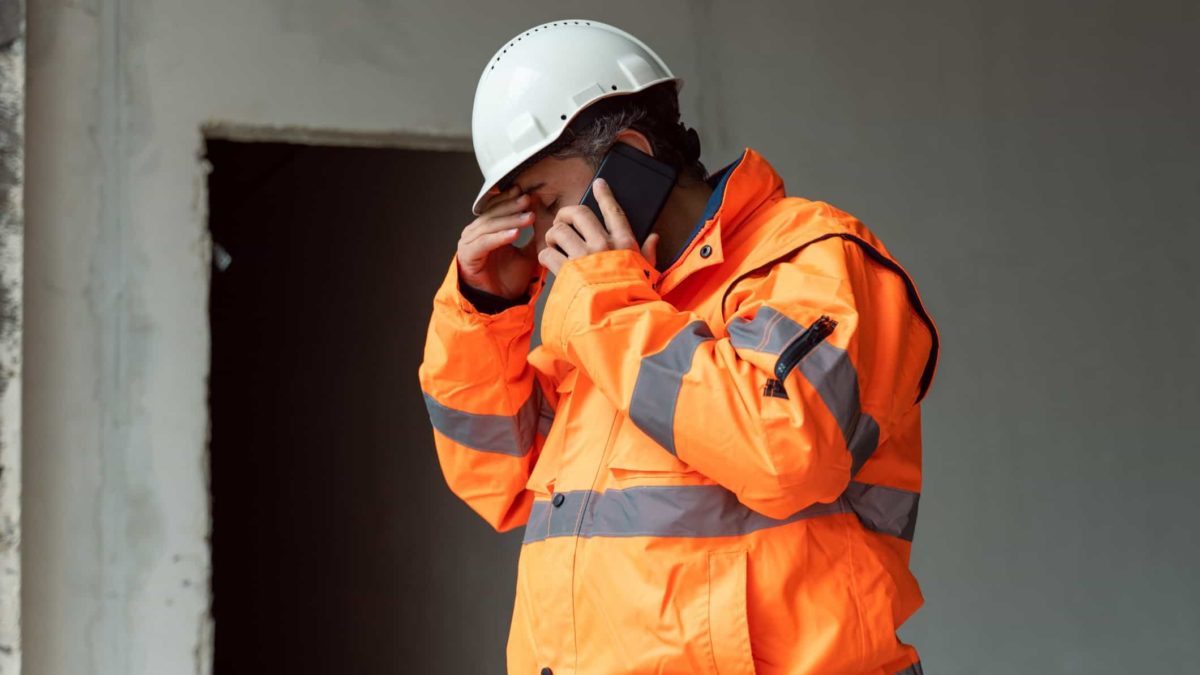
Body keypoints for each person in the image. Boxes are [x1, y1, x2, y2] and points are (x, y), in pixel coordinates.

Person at [419, 19, 938, 675]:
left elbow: (787, 454)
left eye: (545, 201)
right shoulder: (612, 304)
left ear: (630, 155)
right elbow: (499, 483)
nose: (540, 238)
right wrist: (487, 310)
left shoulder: (810, 261)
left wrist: (607, 306)